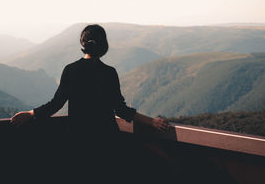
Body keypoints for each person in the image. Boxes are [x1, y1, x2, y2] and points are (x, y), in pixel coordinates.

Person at [10, 24, 170, 180]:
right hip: (107, 144)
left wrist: (31, 114)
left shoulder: (70, 70)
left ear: (83, 43)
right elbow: (122, 110)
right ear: (104, 45)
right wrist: (152, 122)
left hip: (78, 144)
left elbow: (55, 104)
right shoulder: (109, 73)